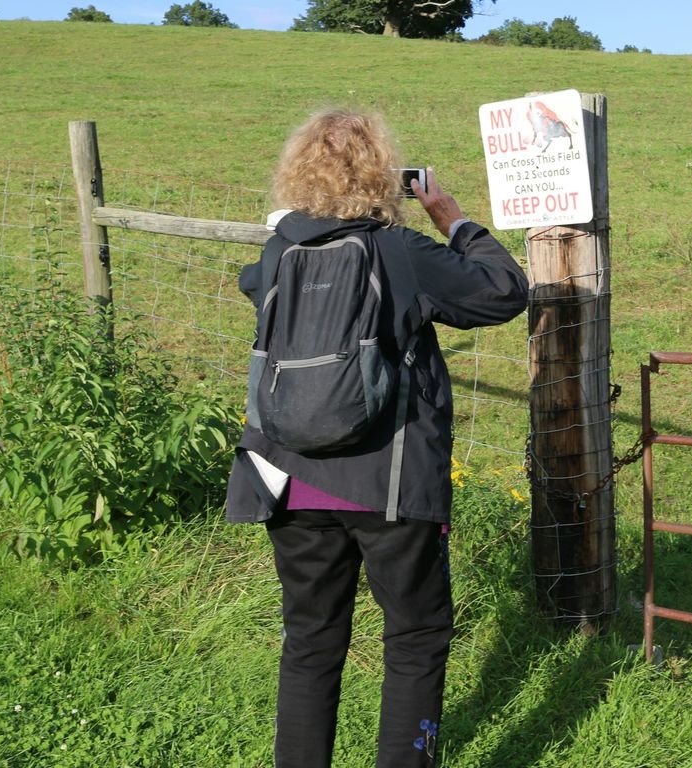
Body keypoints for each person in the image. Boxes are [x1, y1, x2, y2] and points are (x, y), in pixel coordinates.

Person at [224, 109, 529, 767]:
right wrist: (452, 219)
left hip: (285, 478)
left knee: (309, 643)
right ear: (385, 175)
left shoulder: (276, 255)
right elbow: (503, 293)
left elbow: (254, 285)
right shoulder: (398, 252)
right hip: (386, 487)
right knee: (415, 639)